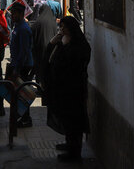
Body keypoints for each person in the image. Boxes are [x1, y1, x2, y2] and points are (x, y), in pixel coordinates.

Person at [44, 16, 91, 162]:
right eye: (61, 27)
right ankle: (69, 144)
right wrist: (53, 43)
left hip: (73, 90)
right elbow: (49, 58)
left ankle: (74, 152)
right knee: (66, 119)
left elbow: (73, 65)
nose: (62, 30)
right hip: (62, 89)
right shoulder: (63, 42)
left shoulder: (80, 45)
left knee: (74, 121)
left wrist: (64, 46)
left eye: (64, 27)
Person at [8, 2, 34, 128]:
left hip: (23, 65)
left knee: (22, 94)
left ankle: (26, 118)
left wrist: (17, 69)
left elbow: (24, 51)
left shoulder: (23, 28)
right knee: (18, 93)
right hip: (18, 63)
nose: (12, 16)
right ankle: (22, 116)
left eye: (13, 13)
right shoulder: (18, 26)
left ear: (20, 14)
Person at [31, 4, 57, 87]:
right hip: (51, 49)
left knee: (40, 69)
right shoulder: (53, 22)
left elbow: (33, 33)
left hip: (39, 50)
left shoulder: (38, 22)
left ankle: (40, 86)